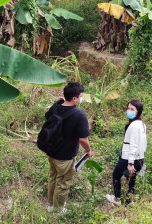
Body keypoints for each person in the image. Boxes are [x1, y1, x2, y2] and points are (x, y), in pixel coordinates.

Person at [46, 82, 92, 214]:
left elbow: (47, 116)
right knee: (63, 183)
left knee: (53, 177)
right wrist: (88, 150)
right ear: (74, 99)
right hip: (65, 156)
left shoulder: (56, 106)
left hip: (52, 151)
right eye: (81, 96)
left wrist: (56, 102)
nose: (81, 99)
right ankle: (58, 210)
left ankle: (50, 205)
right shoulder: (79, 114)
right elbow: (83, 138)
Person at [106, 100, 147, 206]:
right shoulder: (141, 124)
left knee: (116, 174)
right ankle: (129, 201)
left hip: (128, 158)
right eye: (128, 108)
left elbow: (133, 144)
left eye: (132, 109)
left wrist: (130, 163)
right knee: (131, 179)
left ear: (138, 112)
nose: (129, 111)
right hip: (139, 158)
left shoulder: (133, 126)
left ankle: (117, 198)